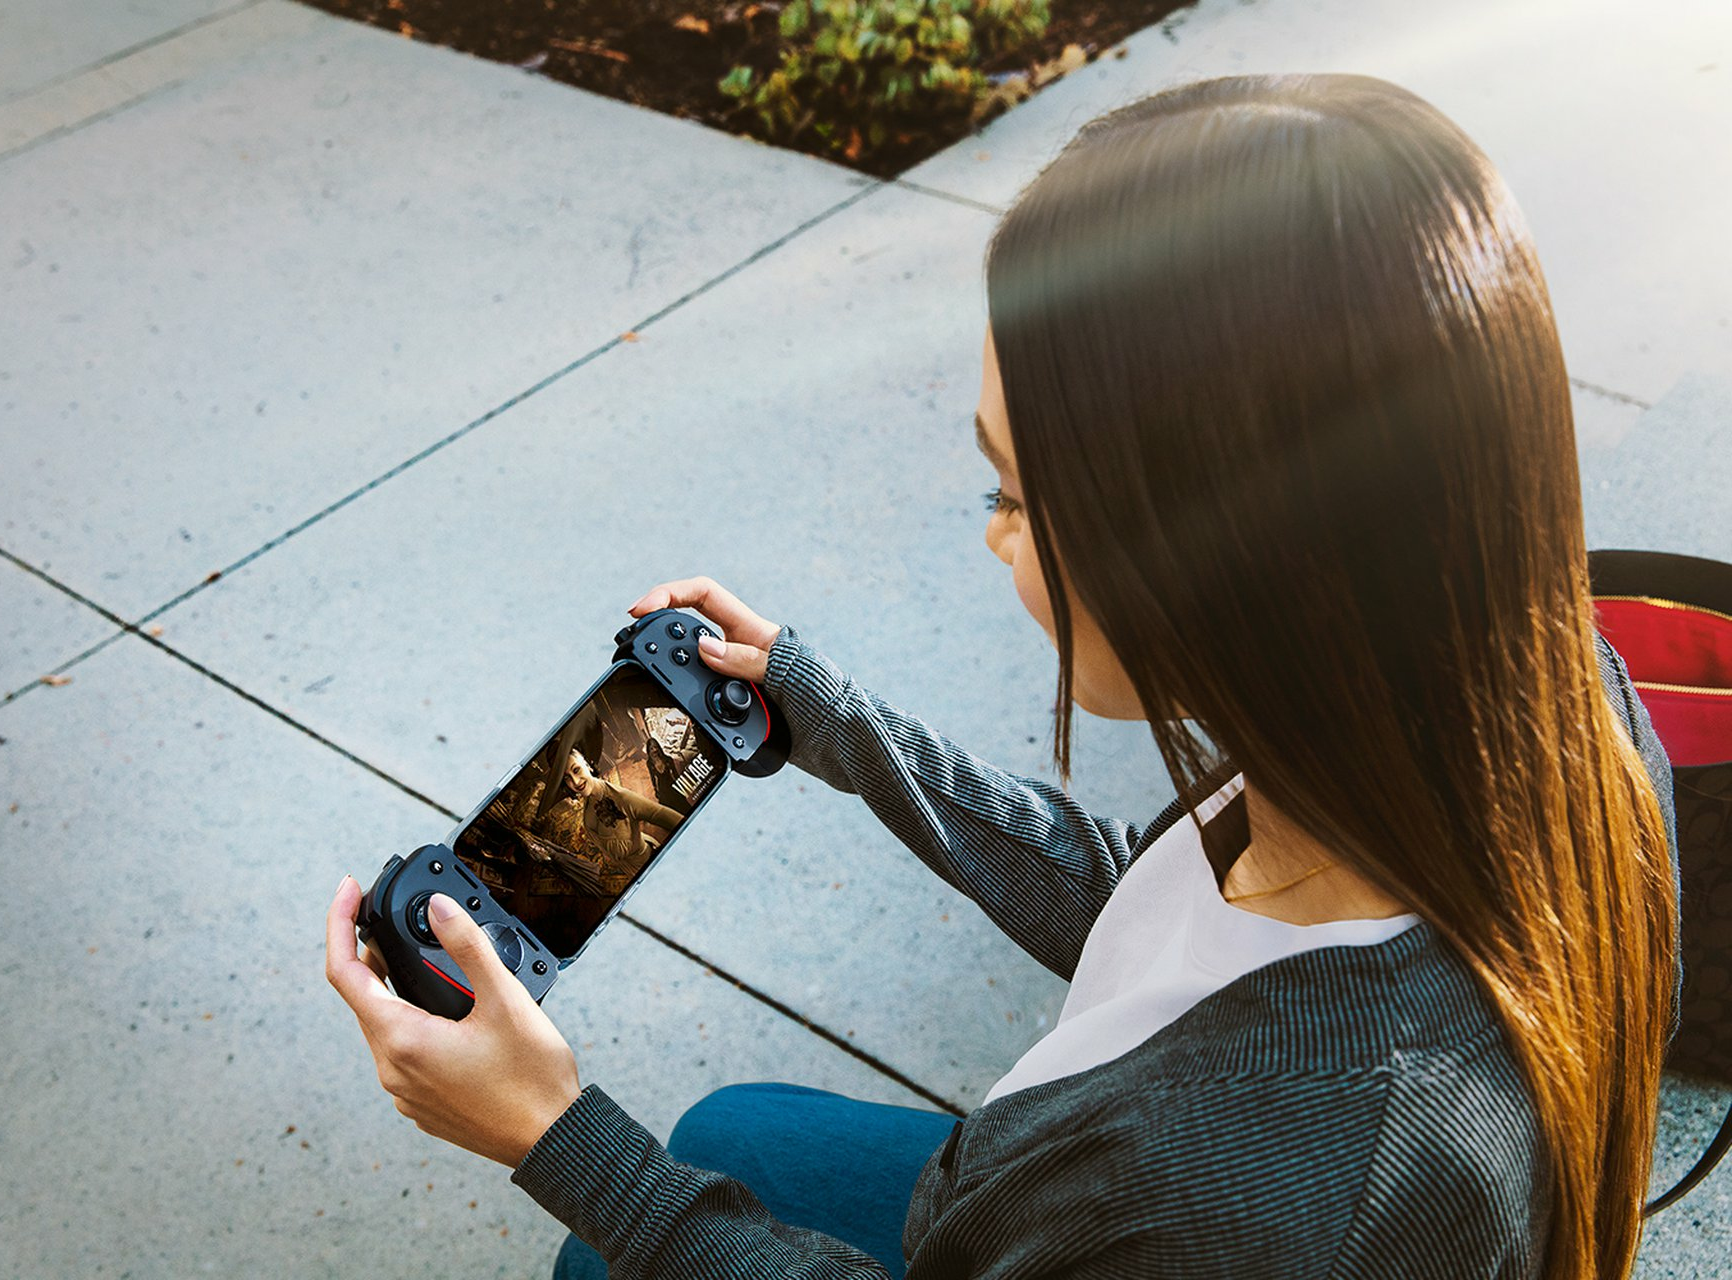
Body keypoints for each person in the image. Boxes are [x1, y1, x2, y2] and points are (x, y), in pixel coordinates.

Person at [324, 72, 1682, 1279]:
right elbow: (1163, 911)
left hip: (1063, 1209)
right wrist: (840, 726)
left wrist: (556, 1140)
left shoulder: (1263, 1196)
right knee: (726, 1132)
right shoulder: (1536, 714)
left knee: (621, 1219)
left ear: (1224, 559)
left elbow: (1185, 1158)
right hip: (1029, 1191)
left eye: (1017, 493)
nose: (992, 534)